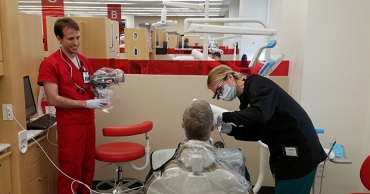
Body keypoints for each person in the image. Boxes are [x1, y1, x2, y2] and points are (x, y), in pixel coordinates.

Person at [208, 65, 327, 194]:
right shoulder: (246, 99)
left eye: (220, 89)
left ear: (230, 77)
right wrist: (231, 130)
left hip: (299, 154)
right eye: (217, 94)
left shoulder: (258, 85)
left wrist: (224, 116)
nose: (221, 94)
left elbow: (259, 115)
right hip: (282, 155)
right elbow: (257, 132)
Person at [37, 17, 108, 194]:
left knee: (87, 168)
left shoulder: (84, 61)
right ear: (59, 39)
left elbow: (90, 86)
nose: (75, 43)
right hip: (70, 126)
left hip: (88, 122)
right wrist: (86, 103)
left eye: (77, 38)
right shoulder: (50, 64)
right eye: (70, 39)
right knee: (71, 171)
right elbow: (53, 98)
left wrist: (101, 91)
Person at [145, 99, 251, 183]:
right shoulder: (236, 161)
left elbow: (150, 188)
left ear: (183, 125)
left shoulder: (159, 160)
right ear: (213, 127)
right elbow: (245, 188)